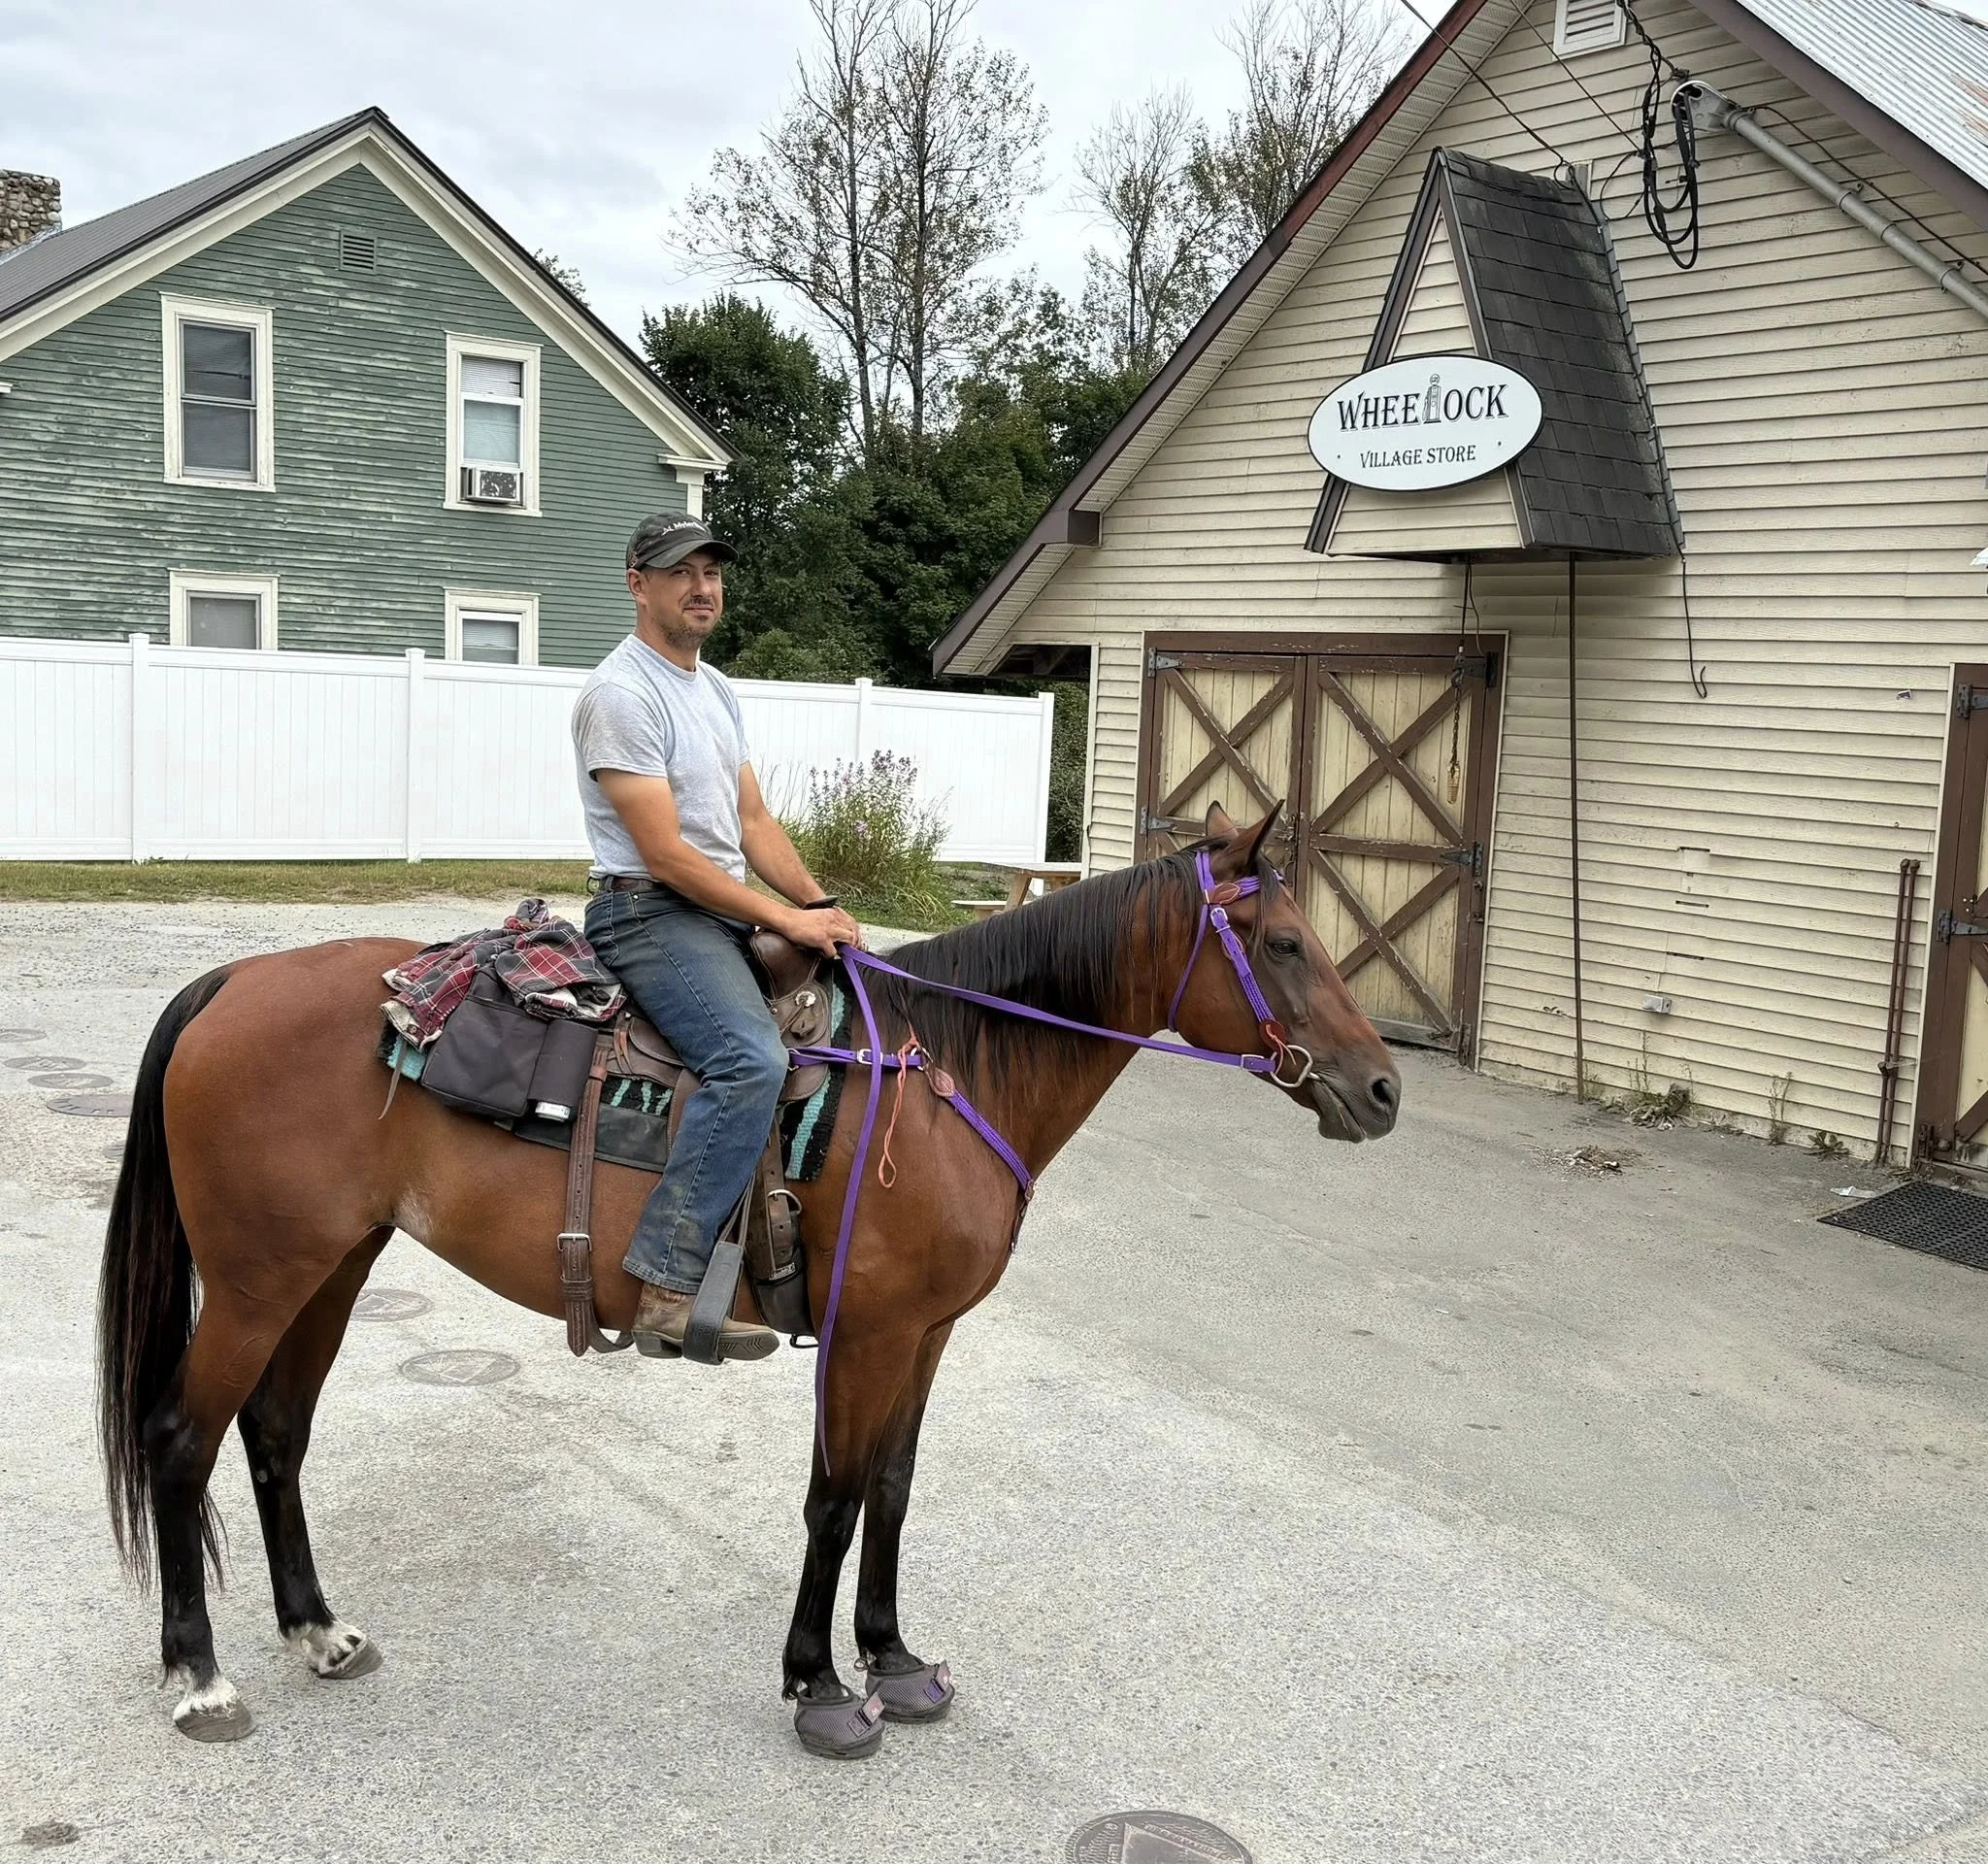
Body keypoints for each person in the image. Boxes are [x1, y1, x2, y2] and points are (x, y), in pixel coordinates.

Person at [573, 512, 862, 1361]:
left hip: (716, 908)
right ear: (638, 584)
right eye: (680, 573)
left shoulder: (716, 688)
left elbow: (751, 819)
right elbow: (665, 855)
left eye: (712, 573)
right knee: (751, 1059)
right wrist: (782, 918)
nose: (702, 588)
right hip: (650, 913)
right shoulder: (621, 695)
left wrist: (824, 908)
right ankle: (666, 1284)